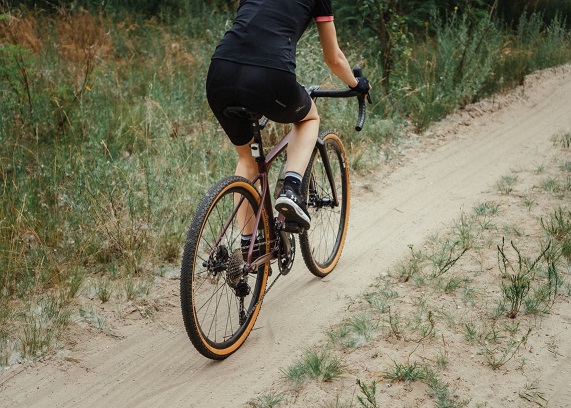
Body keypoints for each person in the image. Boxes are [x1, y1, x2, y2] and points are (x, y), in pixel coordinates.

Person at [206, 0, 370, 247]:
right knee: (309, 117)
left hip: (220, 74)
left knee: (247, 160)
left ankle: (248, 244)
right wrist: (357, 85)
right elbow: (334, 58)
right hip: (271, 76)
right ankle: (292, 188)